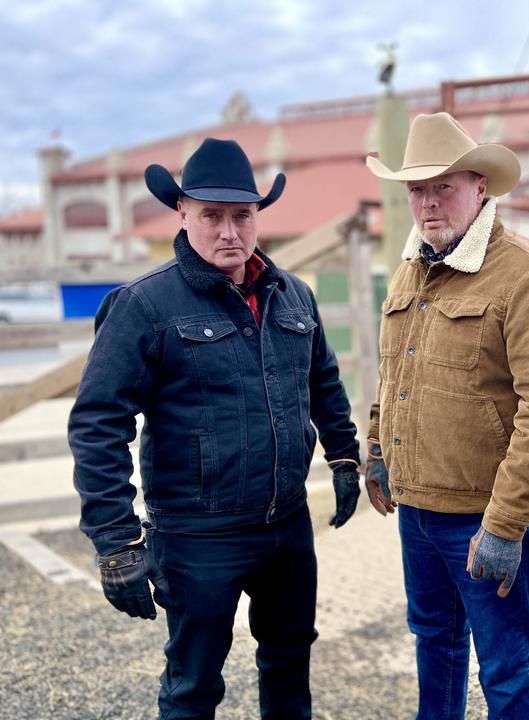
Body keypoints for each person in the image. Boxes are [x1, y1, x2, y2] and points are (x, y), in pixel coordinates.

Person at [68, 138, 361, 720]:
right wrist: (115, 541)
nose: (229, 231)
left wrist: (344, 455)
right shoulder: (145, 306)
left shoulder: (293, 295)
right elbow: (98, 421)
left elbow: (322, 382)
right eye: (212, 215)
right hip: (198, 536)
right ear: (183, 213)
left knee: (288, 666)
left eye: (241, 216)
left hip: (286, 527)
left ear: (257, 217)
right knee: (194, 687)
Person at [364, 112, 529, 719]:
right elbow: (395, 369)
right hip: (419, 509)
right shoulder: (413, 267)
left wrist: (508, 521)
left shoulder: (523, 277)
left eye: (445, 186)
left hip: (482, 516)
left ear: (480, 187)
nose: (429, 203)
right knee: (434, 643)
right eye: (418, 190)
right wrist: (379, 449)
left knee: (506, 663)